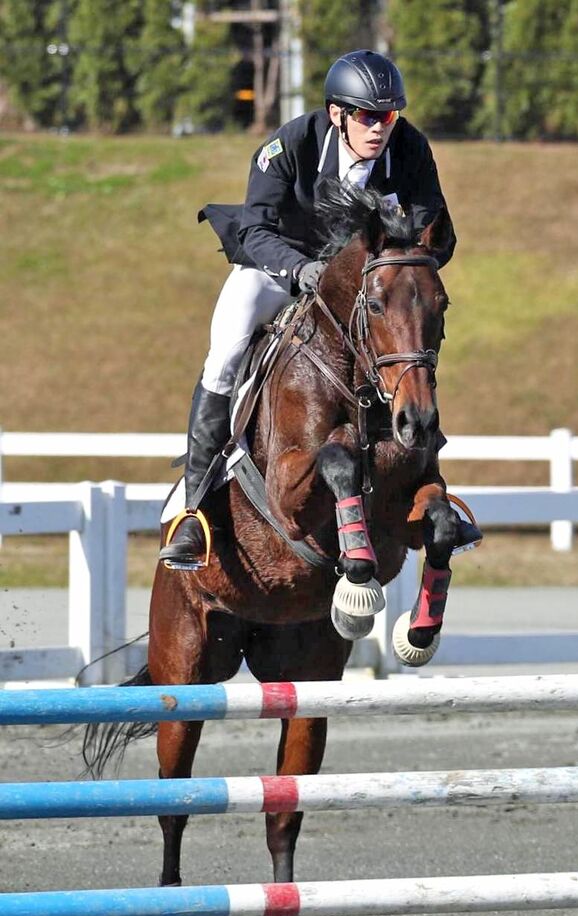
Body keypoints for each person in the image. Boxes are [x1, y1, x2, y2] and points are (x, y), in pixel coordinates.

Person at [160, 49, 479, 569]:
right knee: (226, 352)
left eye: (389, 116)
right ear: (338, 114)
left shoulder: (411, 149)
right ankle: (194, 510)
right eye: (368, 116)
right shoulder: (289, 145)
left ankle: (427, 484)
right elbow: (255, 230)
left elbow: (433, 235)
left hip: (358, 289)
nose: (380, 128)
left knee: (407, 351)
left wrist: (403, 272)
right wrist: (301, 270)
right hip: (277, 270)